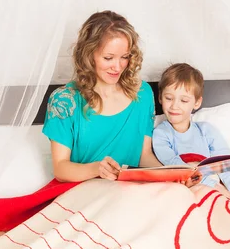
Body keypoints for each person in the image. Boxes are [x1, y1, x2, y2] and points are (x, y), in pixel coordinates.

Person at [42, 10, 162, 182]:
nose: (118, 67)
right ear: (89, 55)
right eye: (108, 58)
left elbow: (144, 156)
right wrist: (96, 168)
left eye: (125, 57)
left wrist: (173, 175)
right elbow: (61, 169)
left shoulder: (142, 94)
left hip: (131, 190)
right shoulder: (64, 100)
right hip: (83, 191)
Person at [153, 63, 230, 216]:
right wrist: (212, 186)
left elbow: (227, 167)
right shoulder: (161, 133)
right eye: (168, 98)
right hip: (185, 189)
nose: (174, 106)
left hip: (212, 188)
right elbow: (173, 165)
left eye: (184, 101)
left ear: (197, 102)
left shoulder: (206, 131)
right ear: (160, 98)